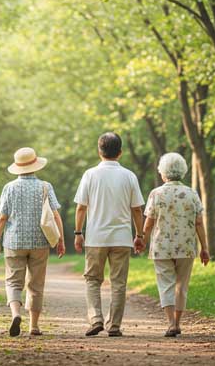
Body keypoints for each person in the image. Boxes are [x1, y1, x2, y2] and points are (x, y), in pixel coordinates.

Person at [73, 132, 145, 337]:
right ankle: (114, 325)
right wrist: (139, 235)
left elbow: (81, 207)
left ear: (99, 151)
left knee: (92, 280)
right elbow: (137, 209)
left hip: (96, 237)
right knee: (118, 283)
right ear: (120, 152)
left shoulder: (90, 175)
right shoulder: (129, 176)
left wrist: (78, 232)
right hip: (122, 238)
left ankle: (95, 319)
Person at [0, 147, 66, 337]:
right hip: (40, 242)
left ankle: (16, 314)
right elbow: (55, 215)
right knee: (36, 284)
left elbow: (2, 217)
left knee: (13, 281)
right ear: (35, 165)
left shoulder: (9, 188)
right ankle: (34, 326)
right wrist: (61, 240)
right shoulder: (45, 187)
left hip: (14, 241)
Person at [141, 152, 210, 337]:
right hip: (186, 247)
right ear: (183, 171)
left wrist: (142, 240)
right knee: (181, 285)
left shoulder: (156, 193)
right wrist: (204, 248)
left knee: (166, 285)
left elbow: (149, 223)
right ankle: (178, 322)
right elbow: (199, 223)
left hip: (162, 248)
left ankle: (171, 323)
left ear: (163, 173)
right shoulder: (191, 193)